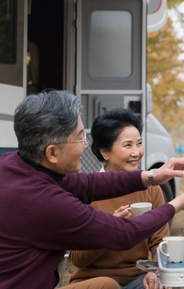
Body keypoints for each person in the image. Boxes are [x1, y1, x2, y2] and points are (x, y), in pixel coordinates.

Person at [0, 90, 184, 289]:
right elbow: (122, 234)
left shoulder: (13, 164)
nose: (86, 144)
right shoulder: (43, 202)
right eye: (79, 137)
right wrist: (177, 204)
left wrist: (153, 176)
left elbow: (88, 184)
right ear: (52, 152)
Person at [69, 109, 167, 289]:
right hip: (96, 282)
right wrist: (109, 229)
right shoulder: (85, 193)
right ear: (105, 152)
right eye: (127, 145)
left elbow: (160, 242)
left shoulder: (151, 190)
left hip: (138, 279)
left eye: (139, 143)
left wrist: (155, 272)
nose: (136, 152)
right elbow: (78, 260)